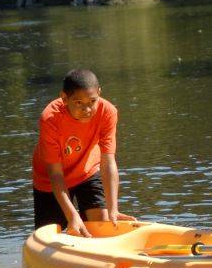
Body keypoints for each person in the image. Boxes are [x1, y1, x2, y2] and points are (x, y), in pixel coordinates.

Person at [31, 69, 135, 237]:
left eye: (92, 101)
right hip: (49, 180)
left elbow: (108, 162)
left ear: (99, 93)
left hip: (87, 172)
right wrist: (72, 215)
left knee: (102, 223)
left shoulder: (107, 112)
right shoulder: (50, 118)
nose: (87, 109)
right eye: (79, 102)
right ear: (64, 99)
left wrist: (113, 209)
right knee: (50, 235)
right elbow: (55, 173)